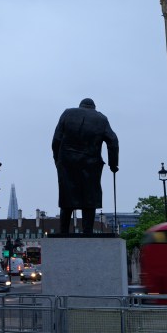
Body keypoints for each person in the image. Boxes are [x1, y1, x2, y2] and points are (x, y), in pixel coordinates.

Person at [52, 98, 119, 234]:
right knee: (90, 197)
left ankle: (63, 231)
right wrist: (113, 164)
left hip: (67, 162)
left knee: (67, 196)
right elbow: (113, 141)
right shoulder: (101, 118)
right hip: (91, 163)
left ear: (80, 106)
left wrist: (57, 160)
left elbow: (56, 140)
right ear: (93, 107)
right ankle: (87, 231)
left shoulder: (67, 113)